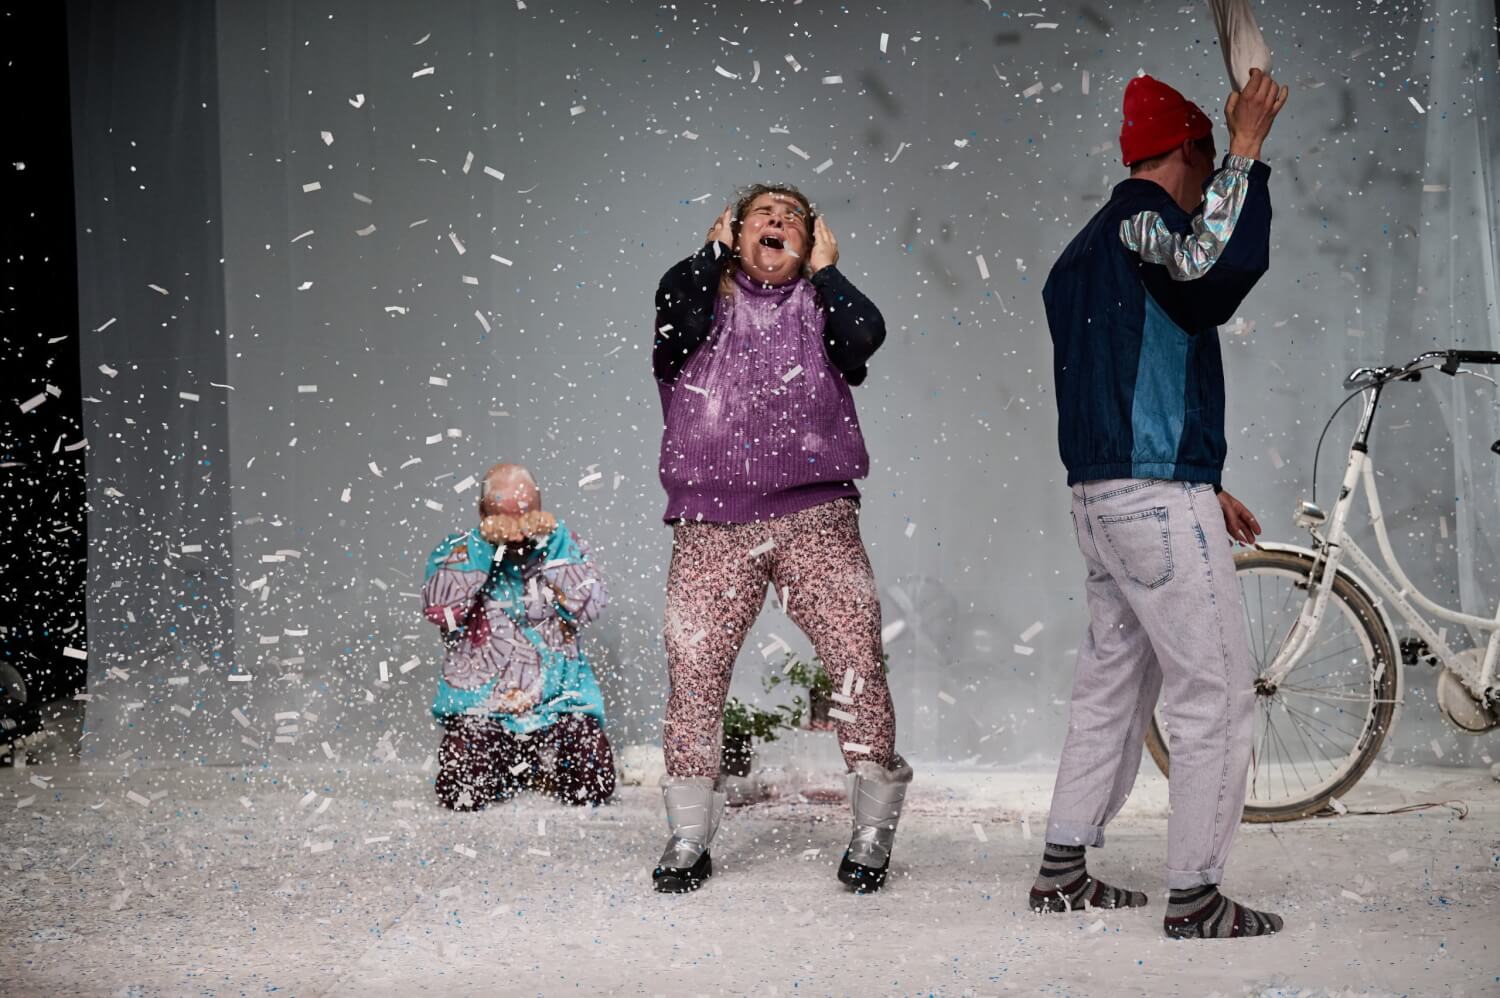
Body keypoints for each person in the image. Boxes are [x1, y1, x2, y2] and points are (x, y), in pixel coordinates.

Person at [1035, 70, 1290, 939]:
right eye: (1209, 153)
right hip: (1151, 498)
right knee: (1214, 694)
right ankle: (1197, 897)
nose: (1216, 166)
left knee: (1112, 685)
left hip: (1102, 498)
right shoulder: (1146, 224)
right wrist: (1250, 155)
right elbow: (1210, 273)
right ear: (1187, 150)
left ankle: (1062, 869)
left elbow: (1126, 369)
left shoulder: (1082, 249)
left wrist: (1200, 477)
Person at [649, 183, 910, 894]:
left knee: (856, 662)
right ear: (733, 234)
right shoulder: (698, 302)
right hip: (711, 524)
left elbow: (866, 335)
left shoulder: (824, 307)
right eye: (761, 213)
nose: (777, 222)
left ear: (814, 238)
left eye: (792, 215)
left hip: (815, 516)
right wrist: (710, 251)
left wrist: (826, 271)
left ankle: (872, 830)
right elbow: (672, 304)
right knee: (695, 677)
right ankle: (688, 835)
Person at [423, 462, 615, 809]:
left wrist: (553, 542)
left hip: (561, 705)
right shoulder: (459, 550)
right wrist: (483, 544)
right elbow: (442, 611)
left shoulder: (566, 546)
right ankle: (512, 769)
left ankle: (539, 767)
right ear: (483, 512)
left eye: (526, 515)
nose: (517, 531)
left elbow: (590, 607)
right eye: (503, 516)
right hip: (483, 710)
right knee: (462, 792)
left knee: (592, 785)